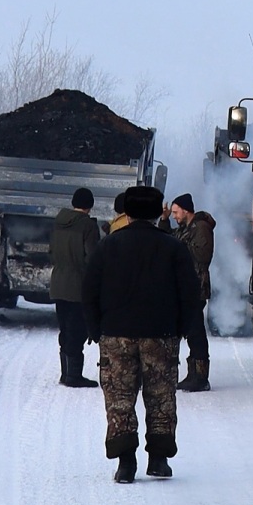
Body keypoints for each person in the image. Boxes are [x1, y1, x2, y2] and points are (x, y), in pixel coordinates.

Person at [82, 185, 203, 483]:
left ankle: (125, 463)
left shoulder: (108, 246)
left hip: (116, 335)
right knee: (160, 396)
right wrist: (182, 329)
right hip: (160, 335)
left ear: (129, 212)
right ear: (154, 213)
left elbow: (89, 290)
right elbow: (190, 293)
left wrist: (94, 328)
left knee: (120, 398)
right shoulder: (174, 247)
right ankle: (158, 460)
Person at [48, 186, 102, 387]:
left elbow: (51, 252)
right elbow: (92, 257)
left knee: (64, 329)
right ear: (90, 206)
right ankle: (74, 376)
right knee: (77, 330)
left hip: (58, 283)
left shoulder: (58, 222)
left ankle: (65, 373)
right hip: (78, 286)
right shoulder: (88, 225)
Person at [169, 193, 216, 392]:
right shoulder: (186, 228)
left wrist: (180, 248)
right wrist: (163, 221)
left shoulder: (201, 228)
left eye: (175, 212)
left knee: (195, 330)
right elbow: (168, 239)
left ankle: (200, 376)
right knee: (189, 329)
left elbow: (203, 255)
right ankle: (193, 374)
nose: (174, 216)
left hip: (196, 287)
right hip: (185, 287)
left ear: (186, 210)